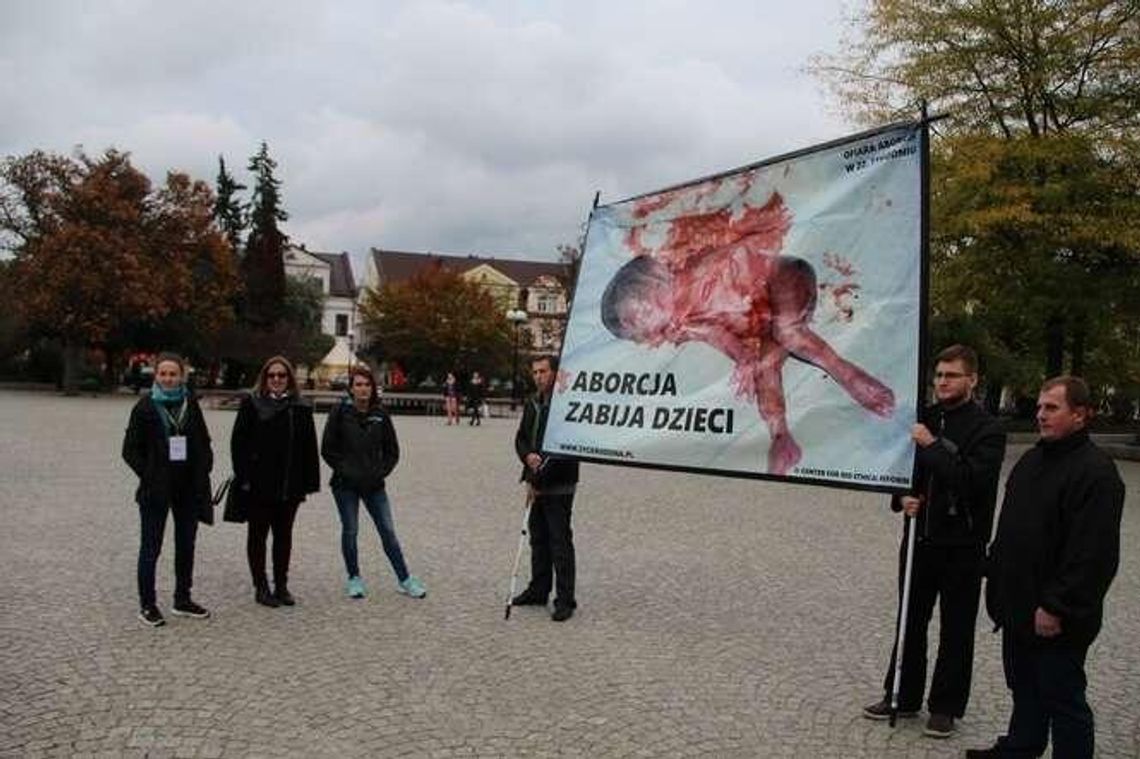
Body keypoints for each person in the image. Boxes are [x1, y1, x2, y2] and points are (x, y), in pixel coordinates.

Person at [601, 190, 895, 476]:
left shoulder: (694, 270)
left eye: (641, 318)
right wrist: (744, 359)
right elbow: (721, 337)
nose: (648, 331)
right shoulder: (689, 323)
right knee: (765, 368)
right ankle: (781, 438)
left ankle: (850, 377)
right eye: (639, 332)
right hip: (765, 322)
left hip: (786, 277)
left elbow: (736, 253)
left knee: (788, 331)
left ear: (657, 282)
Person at [967, 376, 1125, 759]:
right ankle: (1022, 746)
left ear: (1081, 414)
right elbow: (1013, 527)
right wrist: (994, 572)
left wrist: (1058, 605)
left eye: (1051, 408)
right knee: (1024, 684)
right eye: (1039, 407)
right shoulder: (1033, 459)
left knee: (1062, 696)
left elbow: (1093, 555)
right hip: (1018, 601)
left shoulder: (1097, 473)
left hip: (1057, 614)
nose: (1040, 415)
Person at [862, 345, 1006, 737]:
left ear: (972, 380)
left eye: (952, 375)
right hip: (919, 538)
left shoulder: (988, 429)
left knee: (956, 627)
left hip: (963, 544)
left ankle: (945, 706)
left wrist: (930, 445)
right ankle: (901, 695)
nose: (942, 382)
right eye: (939, 375)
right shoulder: (922, 418)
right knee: (910, 619)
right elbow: (900, 469)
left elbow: (971, 481)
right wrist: (901, 497)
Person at [121, 352, 213, 626]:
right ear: (155, 375)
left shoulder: (190, 404)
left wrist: (204, 466)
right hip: (156, 489)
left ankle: (182, 598)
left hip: (187, 487)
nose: (168, 378)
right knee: (151, 547)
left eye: (173, 374)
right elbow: (129, 450)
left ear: (182, 376)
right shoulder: (145, 407)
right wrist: (149, 474)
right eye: (163, 374)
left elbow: (203, 441)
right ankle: (147, 604)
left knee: (186, 545)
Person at [321, 365, 427, 600]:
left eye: (367, 384)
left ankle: (405, 578)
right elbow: (328, 449)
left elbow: (392, 451)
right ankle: (354, 577)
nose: (363, 389)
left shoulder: (381, 415)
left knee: (388, 531)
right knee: (350, 530)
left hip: (374, 485)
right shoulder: (339, 412)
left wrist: (380, 472)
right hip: (345, 484)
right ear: (351, 388)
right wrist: (346, 470)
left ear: (373, 388)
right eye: (358, 384)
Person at [230, 356, 320, 607]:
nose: (277, 380)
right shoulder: (252, 403)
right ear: (265, 378)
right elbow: (239, 442)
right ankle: (261, 585)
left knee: (284, 536)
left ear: (289, 378)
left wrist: (308, 482)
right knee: (257, 536)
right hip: (259, 483)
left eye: (282, 375)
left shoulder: (300, 406)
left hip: (289, 484)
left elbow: (308, 447)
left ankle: (281, 584)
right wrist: (243, 476)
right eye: (272, 375)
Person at [511, 355, 580, 622]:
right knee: (538, 539)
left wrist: (539, 479)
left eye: (543, 371)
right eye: (535, 372)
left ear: (554, 373)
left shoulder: (566, 404)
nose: (538, 376)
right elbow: (521, 438)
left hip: (559, 483)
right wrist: (527, 457)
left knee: (559, 541)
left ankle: (565, 599)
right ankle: (539, 589)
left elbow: (566, 447)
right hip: (535, 481)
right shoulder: (532, 403)